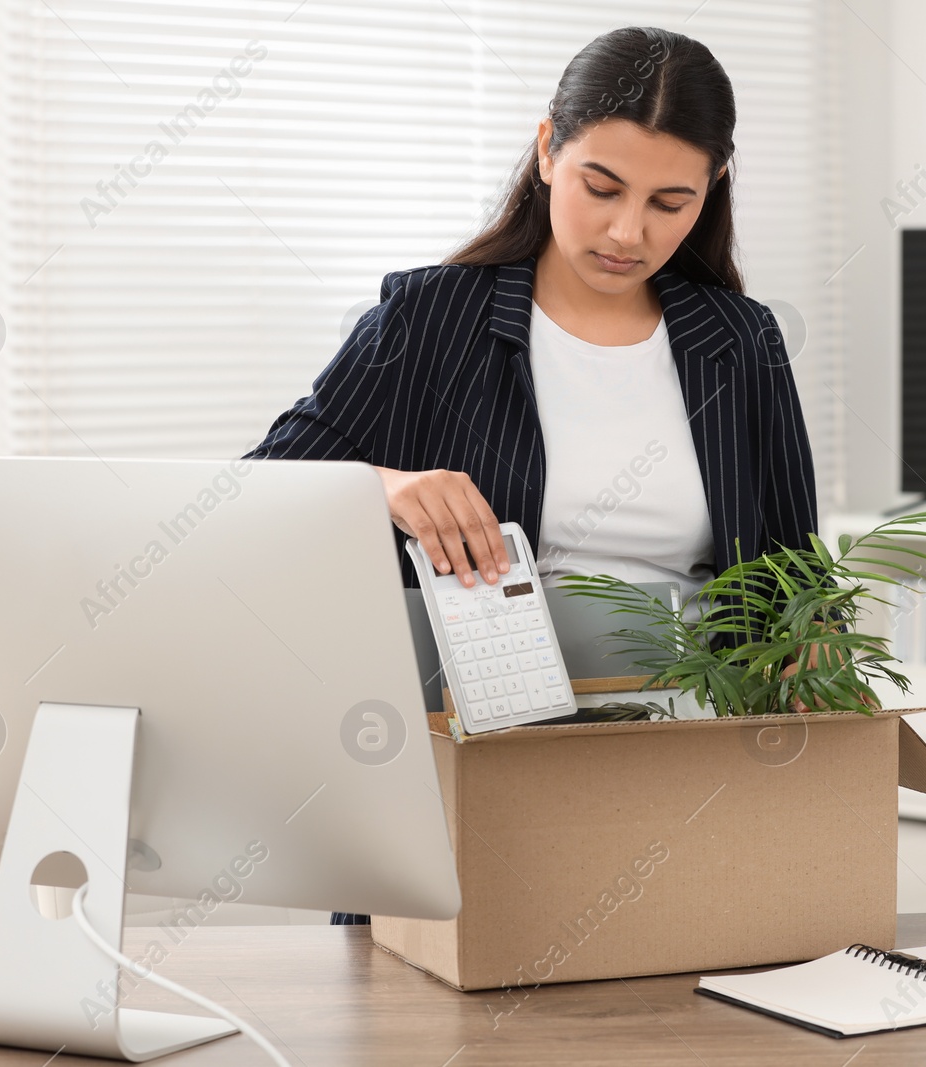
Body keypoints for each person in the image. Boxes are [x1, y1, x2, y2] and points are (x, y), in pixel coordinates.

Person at [245, 26, 817, 925]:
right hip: (475, 772)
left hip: (694, 774)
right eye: (602, 188)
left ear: (711, 194)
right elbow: (256, 497)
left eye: (672, 202)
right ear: (549, 149)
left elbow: (795, 572)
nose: (629, 232)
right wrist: (385, 485)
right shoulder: (431, 317)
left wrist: (816, 646)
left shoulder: (741, 341)